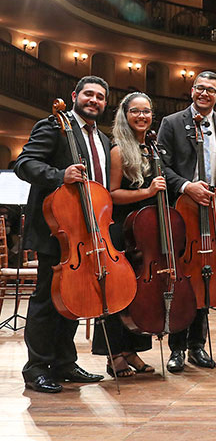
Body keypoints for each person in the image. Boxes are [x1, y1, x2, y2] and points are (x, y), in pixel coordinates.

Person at [15, 76, 110, 393]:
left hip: (87, 232)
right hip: (56, 229)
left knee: (75, 299)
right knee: (45, 299)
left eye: (99, 96)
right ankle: (37, 367)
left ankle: (65, 363)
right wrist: (59, 175)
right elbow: (25, 164)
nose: (93, 100)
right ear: (75, 96)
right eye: (88, 94)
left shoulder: (102, 139)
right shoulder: (54, 126)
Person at [157, 70, 216, 373]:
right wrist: (185, 186)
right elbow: (161, 166)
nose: (205, 94)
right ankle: (176, 348)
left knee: (207, 275)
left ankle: (197, 346)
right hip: (183, 207)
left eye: (211, 90)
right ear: (191, 91)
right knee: (182, 277)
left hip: (213, 210)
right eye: (200, 88)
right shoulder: (172, 122)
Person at [92, 92, 161, 379]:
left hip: (144, 230)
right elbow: (112, 193)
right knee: (117, 291)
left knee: (138, 292)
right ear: (125, 114)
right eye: (135, 111)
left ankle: (131, 349)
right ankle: (113, 354)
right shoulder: (119, 149)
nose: (142, 116)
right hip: (121, 229)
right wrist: (147, 192)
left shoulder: (152, 147)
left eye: (146, 111)